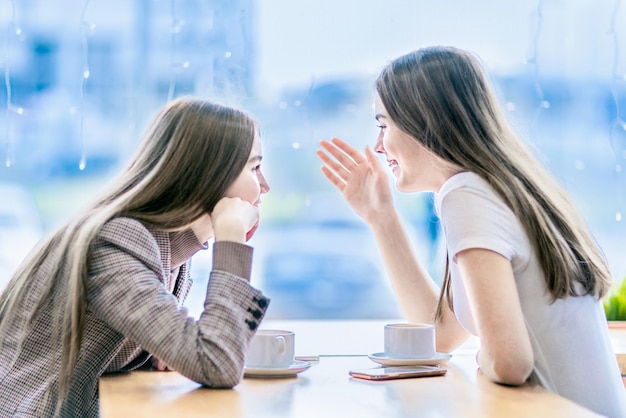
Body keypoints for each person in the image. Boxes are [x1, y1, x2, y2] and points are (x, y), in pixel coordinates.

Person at [316, 46, 626, 418]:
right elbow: (441, 333)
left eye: (384, 125)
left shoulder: (467, 195)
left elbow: (509, 363)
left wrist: (485, 358)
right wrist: (382, 219)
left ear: (424, 122)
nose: (379, 145)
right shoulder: (494, 188)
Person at [0, 97, 271, 417]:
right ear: (211, 173)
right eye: (254, 167)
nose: (265, 186)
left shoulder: (161, 243)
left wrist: (153, 348)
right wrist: (230, 243)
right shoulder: (117, 239)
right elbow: (217, 363)